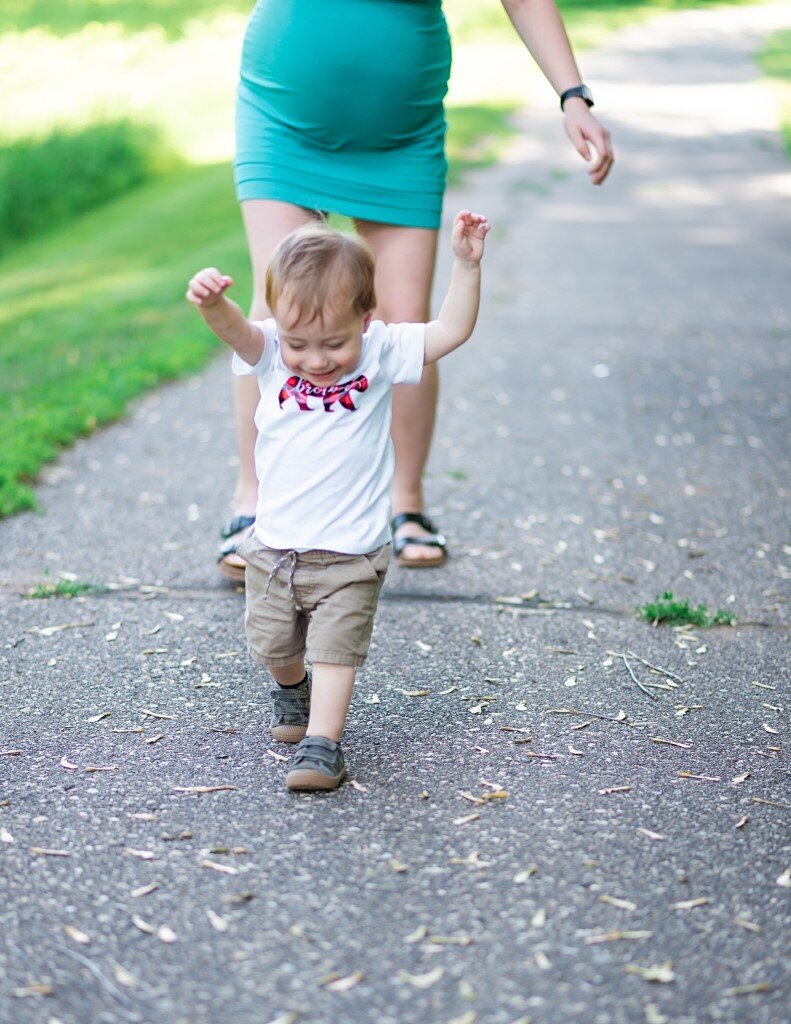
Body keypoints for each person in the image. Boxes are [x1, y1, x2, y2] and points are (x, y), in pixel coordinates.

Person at [219, 0, 614, 580]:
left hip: (401, 133)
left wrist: (572, 94)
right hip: (283, 111)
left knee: (402, 325)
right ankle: (255, 502)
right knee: (282, 316)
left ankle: (405, 503)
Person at [188, 210, 490, 789]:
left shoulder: (381, 351)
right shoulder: (272, 349)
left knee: (335, 650)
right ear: (279, 324)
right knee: (275, 646)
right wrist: (212, 305)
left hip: (352, 552)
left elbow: (451, 330)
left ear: (366, 319)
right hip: (275, 547)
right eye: (301, 342)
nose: (316, 359)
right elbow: (236, 332)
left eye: (334, 343)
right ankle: (290, 690)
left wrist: (466, 265)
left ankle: (323, 746)